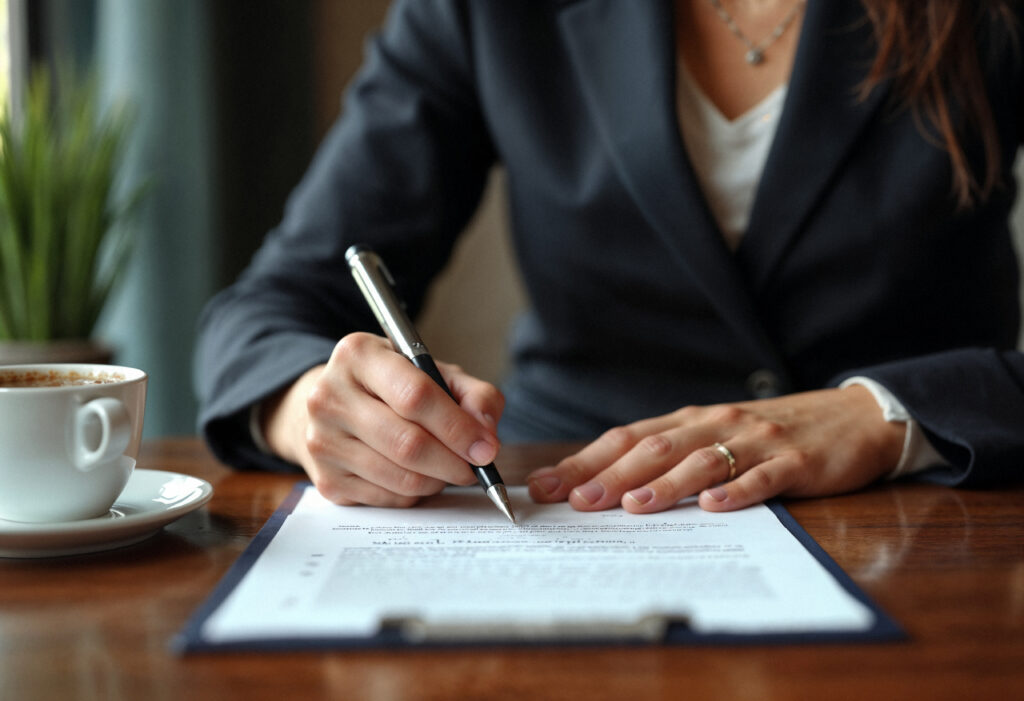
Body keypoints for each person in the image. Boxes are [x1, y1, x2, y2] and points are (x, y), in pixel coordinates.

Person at [195, 0, 1024, 516]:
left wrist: (886, 414)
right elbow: (269, 306)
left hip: (917, 514)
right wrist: (310, 404)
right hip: (575, 502)